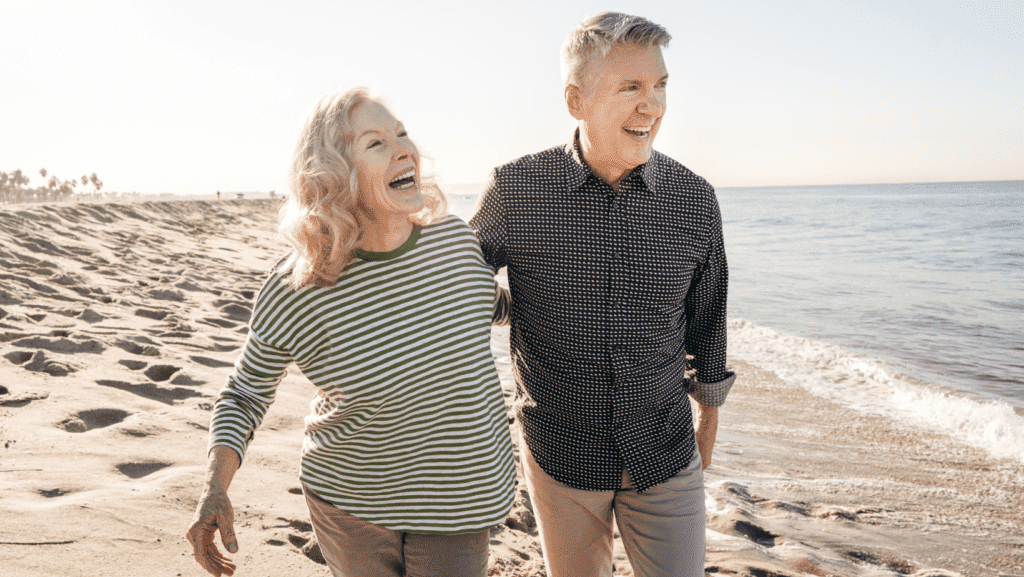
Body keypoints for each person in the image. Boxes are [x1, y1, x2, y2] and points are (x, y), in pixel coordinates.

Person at [186, 87, 516, 577]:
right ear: (334, 175)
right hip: (350, 505)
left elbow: (493, 309)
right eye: (376, 143)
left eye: (402, 134)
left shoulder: (457, 244)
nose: (405, 149)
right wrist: (215, 487)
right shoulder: (299, 284)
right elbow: (244, 394)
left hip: (459, 503)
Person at [469, 12, 736, 577]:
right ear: (576, 100)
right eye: (631, 88)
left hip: (664, 448)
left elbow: (709, 318)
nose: (654, 106)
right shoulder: (517, 190)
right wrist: (509, 307)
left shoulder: (694, 200)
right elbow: (456, 286)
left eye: (661, 85)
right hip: (559, 450)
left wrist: (708, 416)